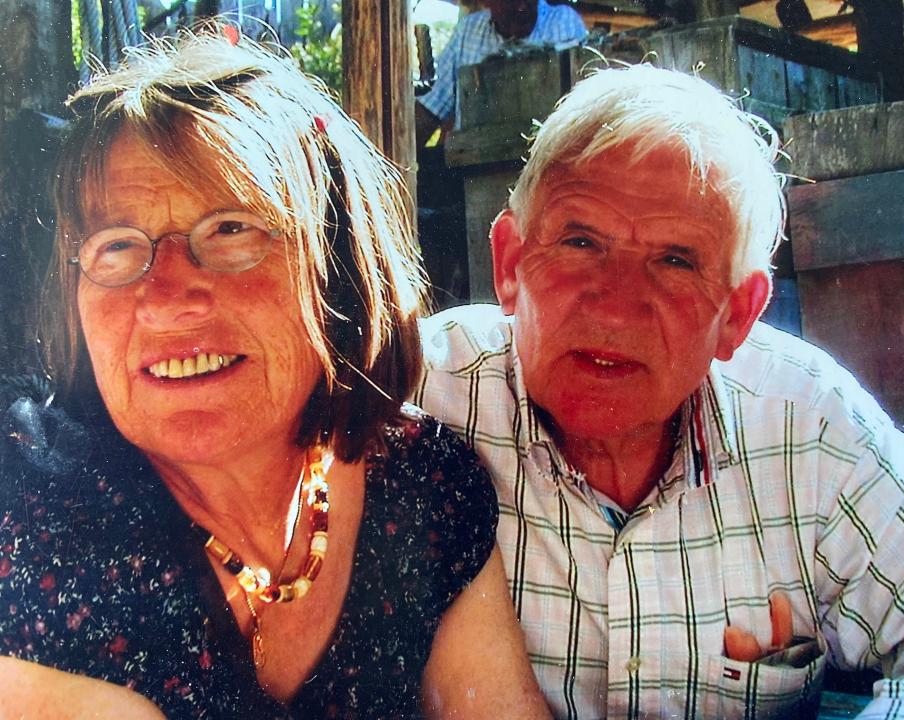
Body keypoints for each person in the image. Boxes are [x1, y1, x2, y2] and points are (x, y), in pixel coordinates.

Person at [0, 29, 550, 719]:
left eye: (232, 229)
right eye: (117, 245)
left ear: (341, 271)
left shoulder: (421, 485)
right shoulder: (30, 508)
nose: (169, 299)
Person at [414, 63, 904, 718]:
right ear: (510, 262)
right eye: (581, 240)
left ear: (738, 314)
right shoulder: (416, 396)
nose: (616, 307)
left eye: (676, 260)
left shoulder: (807, 425)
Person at [415, 0, 587, 143]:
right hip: (476, 164)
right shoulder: (469, 30)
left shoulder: (563, 22)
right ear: (487, 3)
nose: (521, 6)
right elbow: (430, 106)